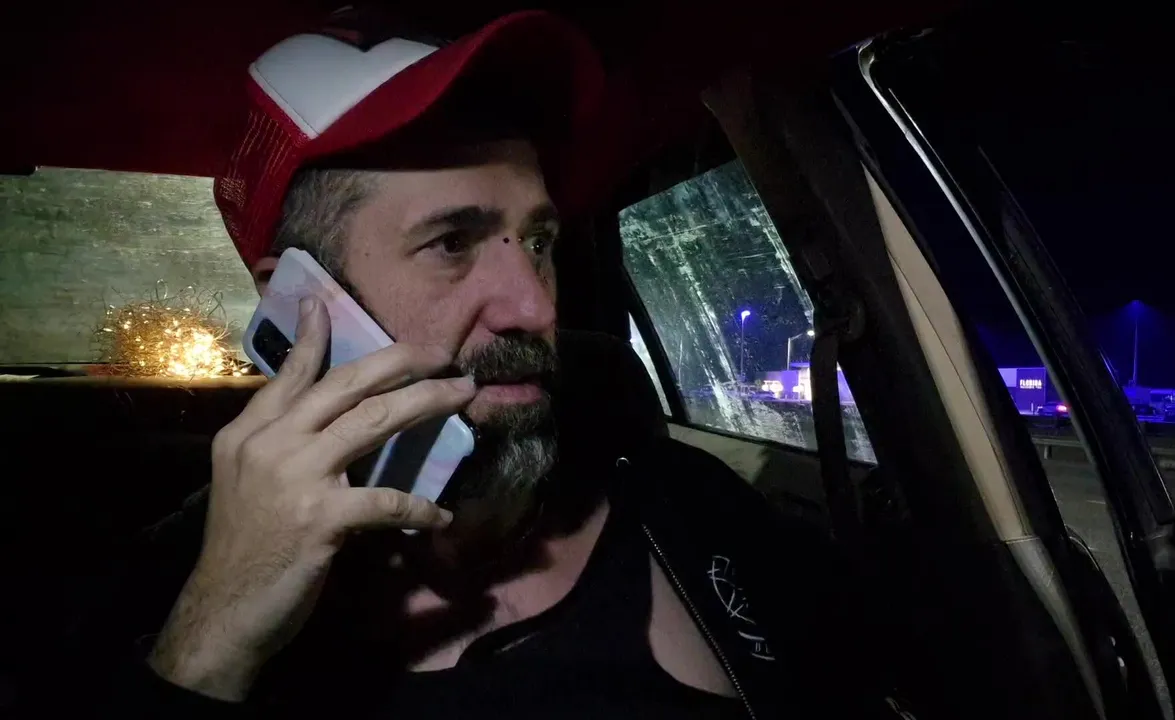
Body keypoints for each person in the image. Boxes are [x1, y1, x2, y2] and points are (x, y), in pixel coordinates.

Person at [83, 9, 907, 720]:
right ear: (302, 306)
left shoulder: (690, 505)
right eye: (452, 243)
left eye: (538, 242)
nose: (536, 307)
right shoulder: (181, 589)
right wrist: (213, 643)